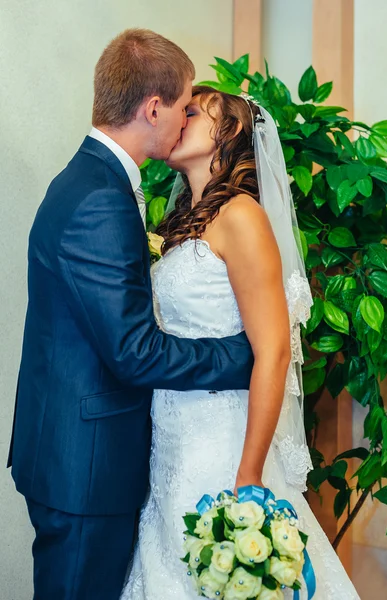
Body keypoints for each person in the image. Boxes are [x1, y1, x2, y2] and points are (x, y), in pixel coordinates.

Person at [7, 33, 254, 600]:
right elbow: (135, 350)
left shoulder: (91, 179)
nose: (189, 115)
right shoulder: (101, 196)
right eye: (186, 104)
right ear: (152, 109)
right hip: (84, 467)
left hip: (77, 449)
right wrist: (241, 353)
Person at [122, 87, 361, 599]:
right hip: (170, 439)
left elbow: (273, 348)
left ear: (227, 134)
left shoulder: (242, 215)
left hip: (222, 439)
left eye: (192, 112)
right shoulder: (184, 217)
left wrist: (249, 471)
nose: (178, 119)